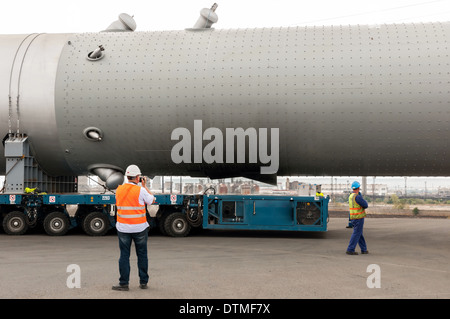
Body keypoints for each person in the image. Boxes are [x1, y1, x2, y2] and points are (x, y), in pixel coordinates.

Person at [112, 164, 155, 291]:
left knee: (124, 255)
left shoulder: (118, 190)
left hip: (123, 228)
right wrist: (144, 186)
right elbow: (152, 200)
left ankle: (124, 283)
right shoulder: (140, 190)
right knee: (142, 255)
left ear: (126, 176)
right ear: (137, 177)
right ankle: (143, 282)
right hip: (140, 228)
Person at [346, 181, 369, 255]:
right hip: (359, 218)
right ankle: (350, 249)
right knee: (356, 233)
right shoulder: (357, 197)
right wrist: (362, 198)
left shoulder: (350, 196)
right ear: (358, 188)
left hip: (353, 217)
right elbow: (365, 205)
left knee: (359, 233)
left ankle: (364, 249)